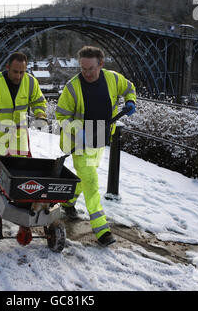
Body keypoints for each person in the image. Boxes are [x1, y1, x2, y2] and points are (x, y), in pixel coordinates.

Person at [55, 46, 137, 247]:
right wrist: (78, 131)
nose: (86, 73)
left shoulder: (113, 79)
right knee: (91, 183)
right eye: (83, 69)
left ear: (101, 64)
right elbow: (61, 116)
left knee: (85, 178)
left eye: (91, 68)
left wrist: (130, 100)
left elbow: (129, 88)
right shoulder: (72, 87)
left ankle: (68, 201)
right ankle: (102, 230)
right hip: (79, 142)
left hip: (100, 139)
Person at [0, 52, 47, 194]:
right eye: (15, 72)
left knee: (19, 166)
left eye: (22, 72)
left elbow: (38, 101)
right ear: (7, 67)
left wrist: (40, 114)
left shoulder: (31, 82)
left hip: (19, 134)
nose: (18, 76)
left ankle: (13, 194)